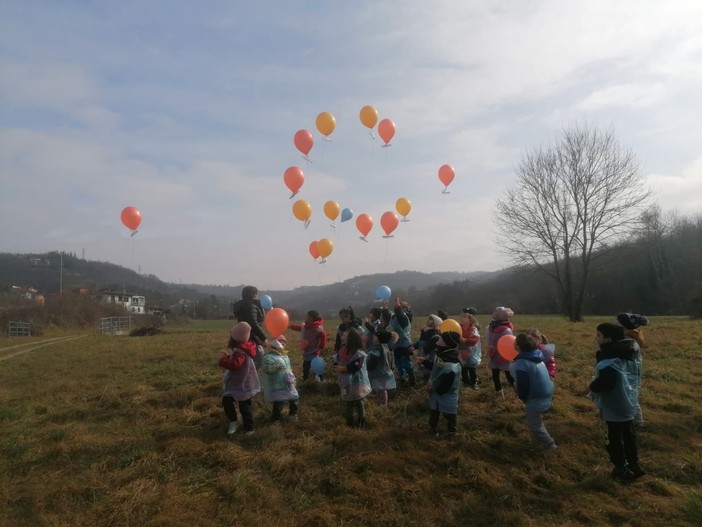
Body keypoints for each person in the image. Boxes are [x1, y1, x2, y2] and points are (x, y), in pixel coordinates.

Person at [589, 322, 645, 482]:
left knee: (613, 439)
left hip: (614, 406)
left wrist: (592, 386)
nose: (596, 338)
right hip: (629, 401)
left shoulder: (610, 359)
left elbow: (607, 383)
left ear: (608, 339)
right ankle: (634, 464)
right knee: (629, 435)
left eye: (598, 335)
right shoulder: (629, 352)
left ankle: (621, 469)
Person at [510, 333, 557, 450]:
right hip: (547, 392)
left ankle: (550, 445)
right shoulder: (537, 356)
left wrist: (522, 396)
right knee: (537, 419)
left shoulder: (522, 363)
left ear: (518, 346)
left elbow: (523, 384)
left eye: (515, 342)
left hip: (536, 398)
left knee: (535, 425)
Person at [218, 322, 260, 436]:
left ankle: (249, 428)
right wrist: (229, 357)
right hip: (240, 381)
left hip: (242, 383)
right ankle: (234, 421)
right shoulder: (243, 348)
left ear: (235, 338)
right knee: (228, 400)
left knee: (244, 406)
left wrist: (223, 361)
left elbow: (235, 365)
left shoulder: (241, 351)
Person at [425, 330, 462, 438]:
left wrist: (436, 390)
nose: (438, 339)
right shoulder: (442, 354)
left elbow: (447, 383)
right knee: (434, 412)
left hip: (446, 394)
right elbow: (435, 368)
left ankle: (452, 433)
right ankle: (432, 428)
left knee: (449, 415)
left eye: (441, 338)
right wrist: (424, 362)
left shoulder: (451, 364)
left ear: (446, 343)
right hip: (435, 392)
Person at [333, 327, 372, 428]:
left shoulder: (358, 353)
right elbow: (336, 361)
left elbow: (357, 366)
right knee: (349, 402)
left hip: (357, 382)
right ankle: (350, 422)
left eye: (346, 333)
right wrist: (336, 367)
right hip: (346, 381)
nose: (343, 334)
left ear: (351, 339)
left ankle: (361, 421)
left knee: (358, 401)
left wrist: (343, 368)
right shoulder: (341, 349)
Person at [616, 312, 648, 429]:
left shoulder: (628, 339)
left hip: (630, 371)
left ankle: (638, 422)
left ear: (624, 325)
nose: (615, 322)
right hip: (632, 370)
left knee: (631, 395)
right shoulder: (634, 335)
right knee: (629, 394)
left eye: (617, 321)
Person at [260, 335, 299, 423]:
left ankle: (293, 414)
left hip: (289, 383)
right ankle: (276, 418)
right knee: (278, 403)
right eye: (280, 342)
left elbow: (289, 368)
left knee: (294, 399)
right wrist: (275, 367)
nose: (283, 344)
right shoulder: (268, 356)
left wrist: (292, 377)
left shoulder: (285, 355)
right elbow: (266, 369)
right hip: (277, 384)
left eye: (284, 342)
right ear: (274, 344)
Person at [232, 285, 268, 368]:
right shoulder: (251, 306)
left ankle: (246, 376)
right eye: (257, 294)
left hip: (244, 337)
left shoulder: (242, 305)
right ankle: (249, 376)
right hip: (253, 338)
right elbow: (253, 323)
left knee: (249, 359)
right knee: (260, 361)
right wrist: (263, 337)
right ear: (254, 294)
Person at [289, 309, 327, 381]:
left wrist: (322, 345)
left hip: (314, 352)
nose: (305, 318)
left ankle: (321, 379)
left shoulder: (317, 328)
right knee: (306, 367)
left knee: (316, 366)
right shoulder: (306, 327)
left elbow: (323, 335)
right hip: (307, 352)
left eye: (306, 316)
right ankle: (305, 379)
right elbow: (300, 328)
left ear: (311, 318)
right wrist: (291, 326)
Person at [487, 306, 516, 398]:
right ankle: (499, 393)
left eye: (495, 311)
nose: (493, 313)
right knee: (495, 374)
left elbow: (508, 343)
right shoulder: (493, 326)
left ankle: (518, 391)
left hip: (503, 355)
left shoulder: (505, 329)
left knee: (509, 376)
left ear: (500, 315)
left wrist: (503, 354)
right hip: (494, 354)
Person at [386, 296, 415, 387]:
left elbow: (400, 314)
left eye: (399, 308)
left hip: (404, 345)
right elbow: (389, 317)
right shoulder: (394, 317)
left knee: (406, 363)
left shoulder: (404, 318)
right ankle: (403, 378)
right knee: (398, 363)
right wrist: (386, 308)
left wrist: (398, 305)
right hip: (396, 345)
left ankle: (411, 378)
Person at [366, 329, 397, 406]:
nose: (373, 338)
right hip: (383, 371)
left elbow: (374, 359)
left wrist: (368, 367)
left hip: (378, 372)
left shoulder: (378, 348)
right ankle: (382, 402)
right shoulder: (385, 347)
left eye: (375, 337)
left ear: (380, 339)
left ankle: (383, 404)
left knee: (382, 389)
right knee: (382, 389)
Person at [412, 314, 442, 381]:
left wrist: (423, 350)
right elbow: (420, 341)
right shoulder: (425, 331)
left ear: (435, 323)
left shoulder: (435, 334)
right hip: (423, 355)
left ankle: (431, 381)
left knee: (429, 370)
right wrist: (414, 346)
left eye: (431, 319)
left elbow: (428, 348)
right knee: (424, 369)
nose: (428, 320)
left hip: (429, 357)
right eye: (428, 318)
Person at [458, 312, 481, 389]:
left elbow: (475, 339)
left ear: (470, 321)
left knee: (471, 368)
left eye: (464, 317)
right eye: (461, 317)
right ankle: (465, 382)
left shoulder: (473, 329)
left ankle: (474, 382)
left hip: (471, 352)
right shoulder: (458, 328)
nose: (462, 319)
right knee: (463, 368)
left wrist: (466, 340)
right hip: (461, 351)